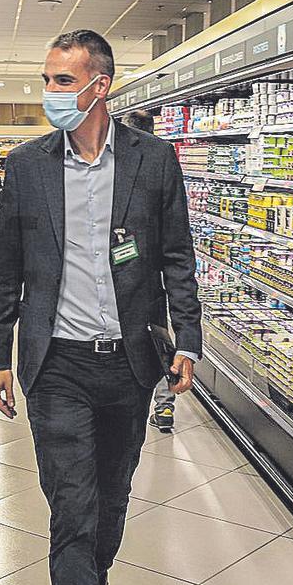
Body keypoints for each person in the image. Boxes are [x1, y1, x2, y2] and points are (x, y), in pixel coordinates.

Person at [0, 30, 201, 585]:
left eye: (61, 81)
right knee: (72, 509)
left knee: (112, 496)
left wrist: (187, 338)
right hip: (57, 366)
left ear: (98, 87)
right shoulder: (27, 167)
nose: (48, 92)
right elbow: (6, 268)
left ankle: (92, 581)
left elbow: (176, 259)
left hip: (129, 364)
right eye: (46, 79)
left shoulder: (153, 161)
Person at [122, 110, 176, 432]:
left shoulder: (131, 164)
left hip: (131, 275)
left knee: (140, 338)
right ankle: (165, 404)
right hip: (154, 277)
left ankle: (137, 395)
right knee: (160, 338)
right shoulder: (164, 159)